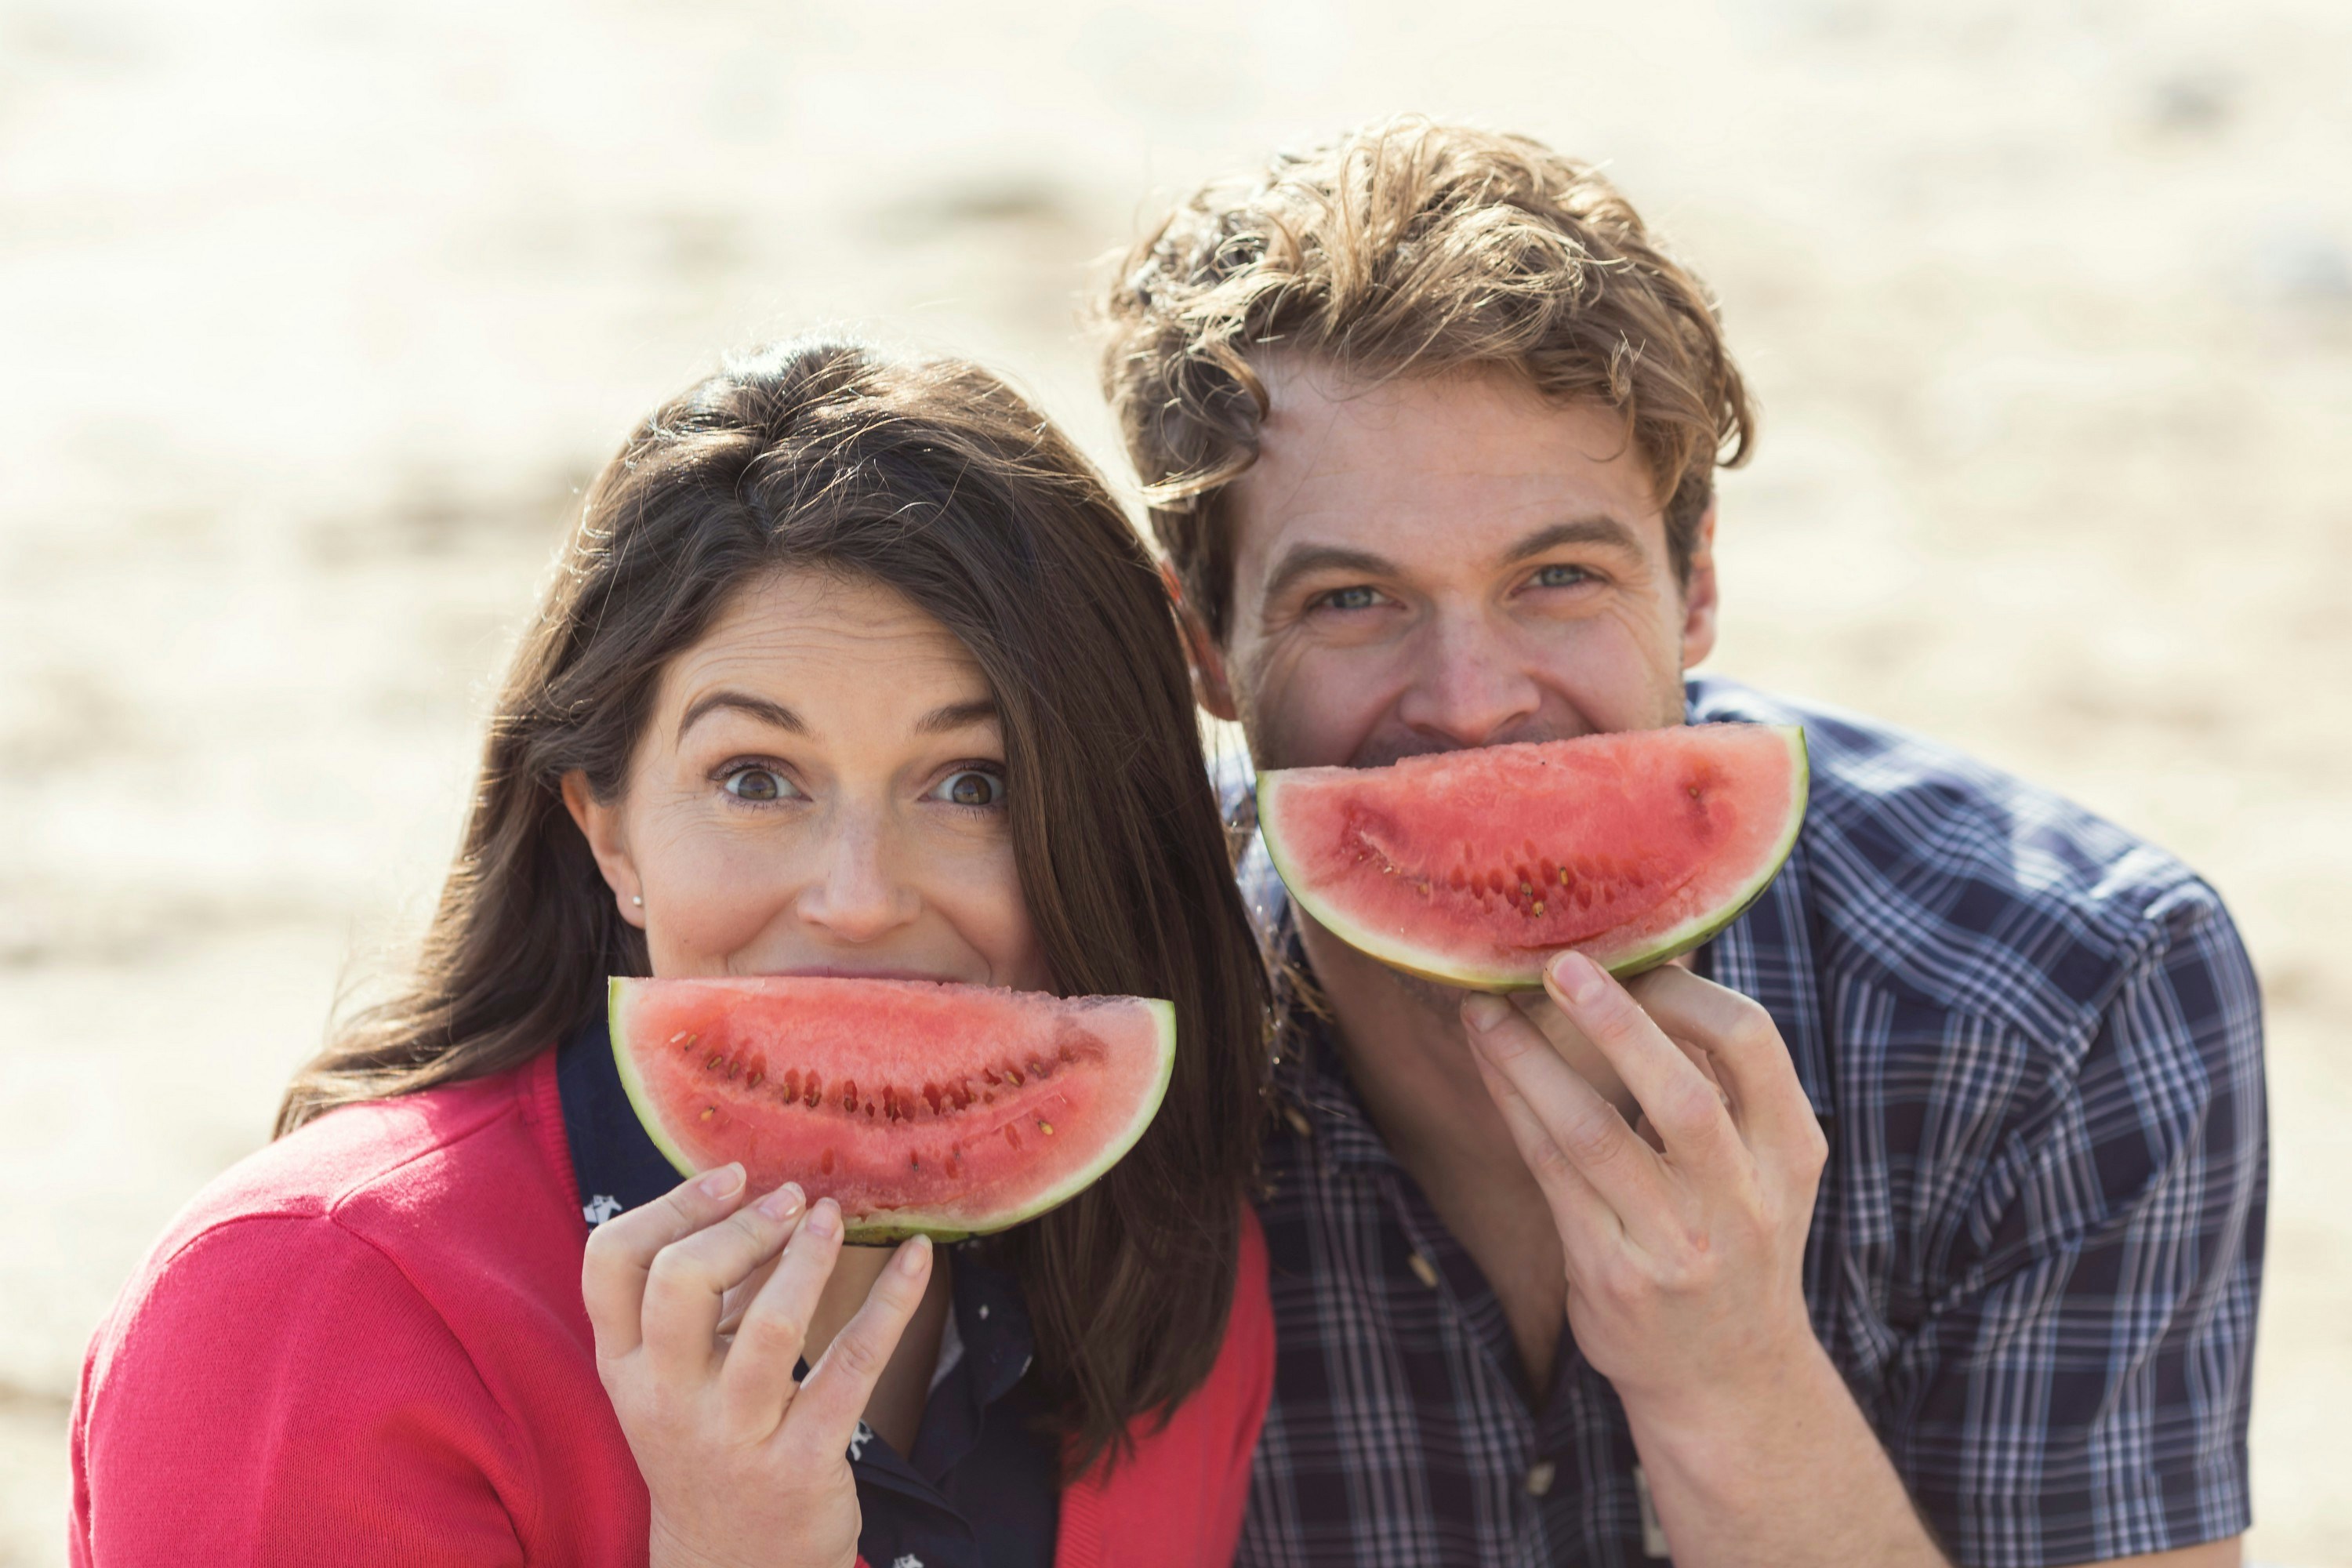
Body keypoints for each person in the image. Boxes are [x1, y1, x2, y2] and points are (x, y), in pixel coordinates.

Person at [1094, 117, 2264, 1568]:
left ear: (1696, 583)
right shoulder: (1093, 1018)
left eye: (1560, 575)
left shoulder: (2062, 994)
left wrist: (1734, 1383)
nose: (1474, 706)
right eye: (1352, 600)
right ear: (1201, 646)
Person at [70, 340, 1277, 1568]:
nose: (857, 898)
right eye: (755, 779)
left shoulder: (1166, 1273)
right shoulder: (310, 1308)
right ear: (607, 830)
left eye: (975, 785)